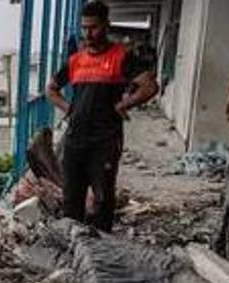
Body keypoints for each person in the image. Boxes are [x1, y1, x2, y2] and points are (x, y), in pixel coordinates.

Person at [46, 0, 157, 232]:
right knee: (71, 200)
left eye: (93, 27)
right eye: (84, 28)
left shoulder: (121, 57)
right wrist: (68, 108)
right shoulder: (75, 61)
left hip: (104, 141)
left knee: (102, 200)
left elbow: (149, 87)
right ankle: (72, 243)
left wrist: (124, 104)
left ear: (106, 25)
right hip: (75, 140)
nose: (88, 34)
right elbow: (51, 89)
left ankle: (101, 247)